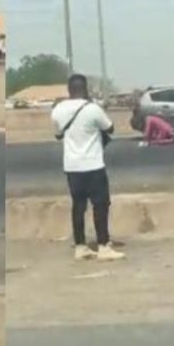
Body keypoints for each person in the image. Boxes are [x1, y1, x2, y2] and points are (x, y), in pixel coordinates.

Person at [51, 74, 124, 262]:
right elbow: (110, 128)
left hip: (71, 166)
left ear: (69, 90)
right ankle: (103, 245)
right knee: (100, 205)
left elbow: (58, 134)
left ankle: (80, 246)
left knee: (78, 206)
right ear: (85, 89)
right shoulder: (93, 109)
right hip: (93, 164)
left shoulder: (58, 110)